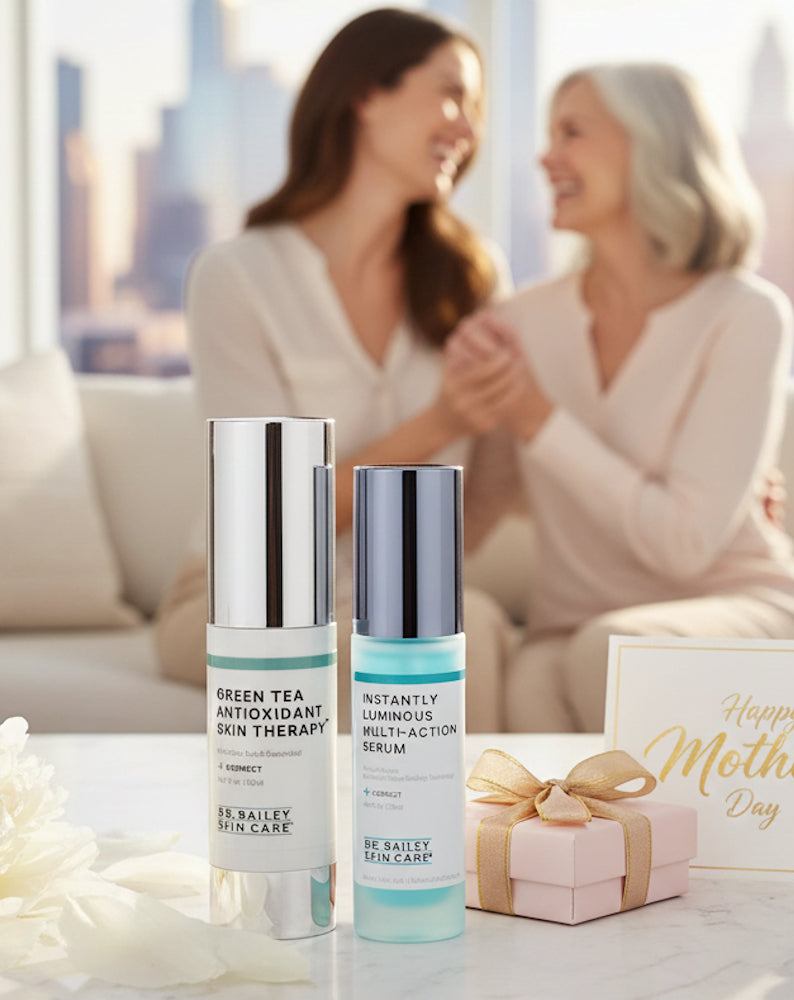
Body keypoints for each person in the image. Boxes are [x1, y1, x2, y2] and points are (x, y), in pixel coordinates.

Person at [154, 8, 520, 732]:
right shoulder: (239, 275)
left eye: (475, 110)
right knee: (409, 643)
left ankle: (446, 844)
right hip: (243, 601)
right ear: (366, 94)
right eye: (451, 95)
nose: (468, 129)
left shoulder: (472, 281)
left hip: (403, 597)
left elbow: (492, 487)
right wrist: (440, 423)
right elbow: (271, 516)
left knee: (458, 621)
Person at [445, 63, 794, 732]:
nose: (546, 156)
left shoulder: (744, 314)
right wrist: (456, 411)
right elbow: (474, 522)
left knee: (613, 655)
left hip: (734, 603)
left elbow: (685, 545)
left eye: (572, 133)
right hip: (569, 631)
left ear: (652, 146)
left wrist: (538, 419)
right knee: (535, 681)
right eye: (548, 134)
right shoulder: (521, 324)